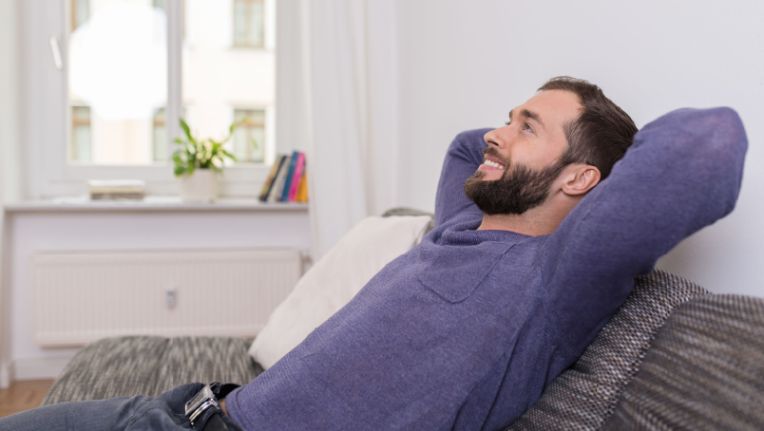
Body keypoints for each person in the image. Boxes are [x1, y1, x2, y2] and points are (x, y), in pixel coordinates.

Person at [0, 77, 747, 431]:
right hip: (181, 409)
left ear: (582, 179)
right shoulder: (460, 226)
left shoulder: (553, 282)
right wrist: (522, 146)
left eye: (525, 125)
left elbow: (710, 142)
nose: (495, 133)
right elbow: (465, 146)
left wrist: (588, 180)